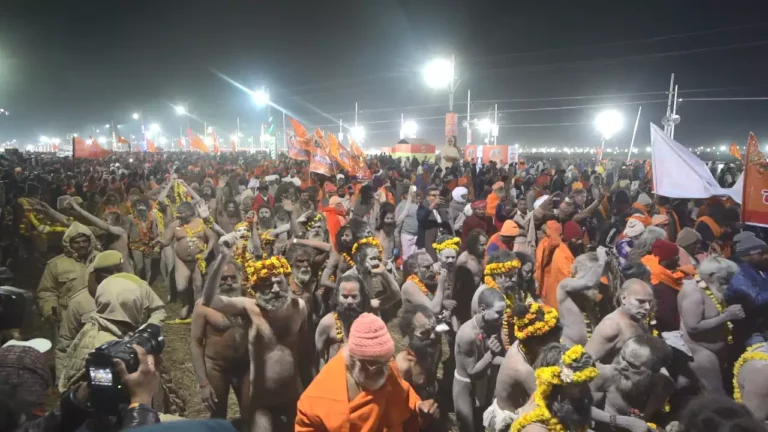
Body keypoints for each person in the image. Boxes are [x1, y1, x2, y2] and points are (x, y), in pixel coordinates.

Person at [202, 247, 311, 432]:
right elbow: (209, 301)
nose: (275, 289)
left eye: (279, 283)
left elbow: (306, 352)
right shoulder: (249, 308)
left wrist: (311, 389)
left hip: (293, 396)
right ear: (256, 288)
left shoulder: (298, 307)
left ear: (287, 281)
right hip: (262, 401)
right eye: (267, 285)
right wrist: (223, 257)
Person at [296, 313, 439, 431]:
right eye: (372, 365)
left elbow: (403, 397)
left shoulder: (386, 367)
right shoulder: (316, 400)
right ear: (352, 359)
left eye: (386, 362)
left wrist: (419, 408)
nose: (382, 371)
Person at [56, 250, 166, 374]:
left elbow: (158, 310)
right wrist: (62, 379)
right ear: (96, 274)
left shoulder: (138, 287)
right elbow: (65, 342)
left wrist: (147, 332)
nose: (114, 275)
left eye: (118, 270)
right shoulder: (79, 302)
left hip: (138, 355)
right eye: (108, 272)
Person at [488, 303, 562, 432]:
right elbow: (549, 404)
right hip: (509, 423)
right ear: (536, 342)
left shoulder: (523, 344)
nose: (557, 344)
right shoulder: (523, 370)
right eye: (552, 341)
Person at [190, 261, 248, 419]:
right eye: (223, 279)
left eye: (232, 278)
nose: (229, 283)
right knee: (218, 413)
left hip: (245, 367)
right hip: (216, 368)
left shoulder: (248, 303)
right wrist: (203, 383)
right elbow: (196, 344)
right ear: (214, 280)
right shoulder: (202, 306)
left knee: (250, 412)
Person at [678, 257, 745, 395]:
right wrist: (726, 316)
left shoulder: (712, 289)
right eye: (724, 279)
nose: (727, 283)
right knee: (716, 394)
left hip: (715, 354)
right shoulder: (694, 292)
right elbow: (693, 327)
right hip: (699, 352)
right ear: (710, 276)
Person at [589, 334, 675, 431]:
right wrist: (621, 421)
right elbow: (580, 409)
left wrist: (668, 423)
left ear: (654, 370)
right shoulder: (605, 376)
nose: (622, 366)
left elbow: (655, 413)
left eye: (632, 365)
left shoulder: (664, 386)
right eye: (622, 357)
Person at [509, 344, 598, 432]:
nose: (587, 390)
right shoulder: (537, 428)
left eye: (587, 382)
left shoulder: (560, 403)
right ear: (555, 385)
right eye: (577, 384)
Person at [454, 288, 506, 432]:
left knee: (481, 427)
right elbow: (473, 371)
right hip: (466, 388)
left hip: (483, 383)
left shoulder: (491, 325)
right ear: (483, 310)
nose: (502, 318)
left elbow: (490, 359)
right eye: (498, 313)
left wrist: (512, 363)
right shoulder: (468, 335)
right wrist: (491, 354)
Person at [158, 201, 216, 319]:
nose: (178, 217)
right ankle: (185, 304)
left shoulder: (201, 223)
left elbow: (212, 237)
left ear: (189, 214)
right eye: (178, 214)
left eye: (181, 214)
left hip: (198, 260)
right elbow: (167, 241)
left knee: (198, 286)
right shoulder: (175, 225)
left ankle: (197, 309)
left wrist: (207, 251)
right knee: (181, 287)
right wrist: (161, 242)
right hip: (181, 260)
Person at [586, 279, 654, 364]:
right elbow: (585, 363)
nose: (647, 307)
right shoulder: (611, 325)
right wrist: (612, 373)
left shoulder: (639, 321)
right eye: (641, 301)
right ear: (624, 298)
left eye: (649, 302)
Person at [315, 273, 373, 367]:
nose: (349, 302)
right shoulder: (327, 323)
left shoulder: (369, 321)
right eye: (345, 297)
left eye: (354, 297)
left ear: (361, 297)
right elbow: (319, 356)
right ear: (337, 297)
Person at [557, 248, 609, 346]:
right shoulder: (565, 285)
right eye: (596, 273)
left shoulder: (593, 290)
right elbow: (588, 282)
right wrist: (601, 261)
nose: (598, 280)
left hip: (591, 345)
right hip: (569, 345)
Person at [726, 232, 768, 350]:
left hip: (761, 326)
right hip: (749, 331)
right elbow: (755, 299)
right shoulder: (737, 272)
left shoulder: (759, 269)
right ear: (749, 254)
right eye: (762, 253)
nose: (766, 256)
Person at [396, 304, 442, 401]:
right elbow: (400, 402)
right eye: (424, 333)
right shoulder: (404, 366)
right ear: (409, 335)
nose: (433, 336)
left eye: (434, 330)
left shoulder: (434, 349)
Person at [641, 239, 684, 332]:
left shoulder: (653, 266)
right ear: (665, 259)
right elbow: (667, 316)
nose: (678, 260)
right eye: (676, 257)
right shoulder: (659, 285)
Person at [455, 229, 488, 324]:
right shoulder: (463, 260)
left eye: (485, 244)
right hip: (464, 300)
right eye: (482, 245)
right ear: (474, 244)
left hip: (477, 296)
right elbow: (457, 286)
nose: (485, 247)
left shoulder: (481, 257)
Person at [534, 220, 569, 310]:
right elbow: (555, 241)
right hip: (549, 281)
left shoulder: (546, 243)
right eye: (560, 234)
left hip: (551, 280)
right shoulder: (548, 243)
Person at [417, 186, 452, 261]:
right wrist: (433, 205)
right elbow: (421, 219)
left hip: (440, 242)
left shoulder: (440, 209)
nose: (437, 197)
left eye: (438, 195)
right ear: (427, 197)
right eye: (434, 196)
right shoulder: (422, 207)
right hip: (426, 244)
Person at [395, 188, 421, 262]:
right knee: (406, 259)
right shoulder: (403, 205)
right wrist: (397, 238)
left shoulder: (417, 205)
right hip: (406, 236)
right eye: (413, 194)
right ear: (406, 195)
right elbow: (398, 222)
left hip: (416, 236)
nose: (415, 196)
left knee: (416, 259)